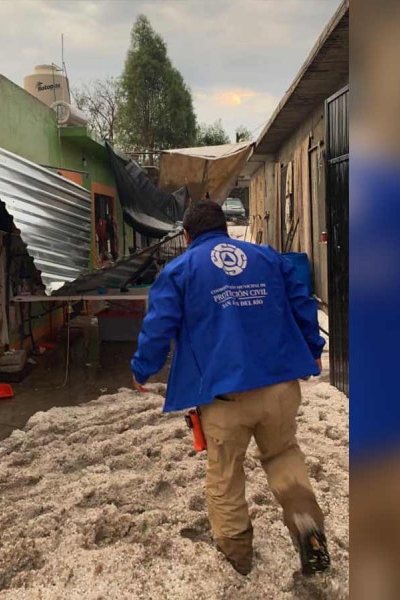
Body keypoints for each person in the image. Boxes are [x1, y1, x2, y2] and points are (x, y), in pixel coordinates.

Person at [130, 201, 330, 577]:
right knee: (283, 454)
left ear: (187, 236)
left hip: (224, 396)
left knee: (225, 474)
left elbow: (159, 327)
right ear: (224, 228)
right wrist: (314, 349)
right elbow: (302, 303)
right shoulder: (269, 258)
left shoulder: (180, 271)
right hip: (279, 386)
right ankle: (308, 527)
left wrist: (143, 369)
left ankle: (237, 557)